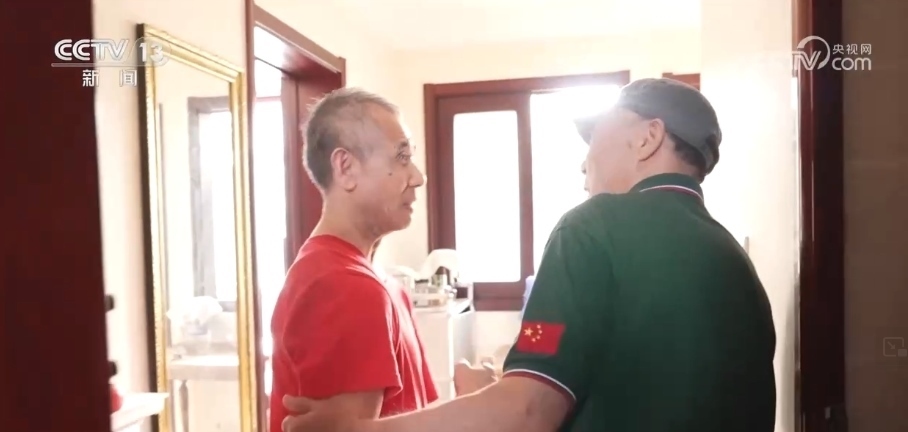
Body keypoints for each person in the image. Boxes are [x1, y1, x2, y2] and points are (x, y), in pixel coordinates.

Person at [279, 78, 778, 432]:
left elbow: (528, 410)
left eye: (595, 138)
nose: (583, 162)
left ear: (647, 138)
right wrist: (500, 388)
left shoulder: (594, 227)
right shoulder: (736, 263)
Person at [269, 88, 497, 432]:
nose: (418, 177)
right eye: (401, 157)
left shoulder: (383, 285)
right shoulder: (342, 286)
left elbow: (407, 416)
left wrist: (470, 403)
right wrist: (476, 411)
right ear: (346, 168)